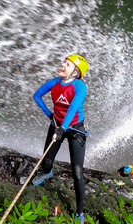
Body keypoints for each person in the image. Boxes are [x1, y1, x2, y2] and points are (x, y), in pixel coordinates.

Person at [32, 54, 89, 224]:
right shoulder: (55, 82)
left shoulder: (80, 86)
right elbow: (36, 95)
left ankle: (79, 212)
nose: (63, 65)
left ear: (76, 72)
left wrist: (62, 128)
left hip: (75, 130)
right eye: (64, 62)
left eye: (68, 64)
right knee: (46, 160)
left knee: (77, 172)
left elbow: (73, 108)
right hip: (57, 125)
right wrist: (50, 115)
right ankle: (47, 172)